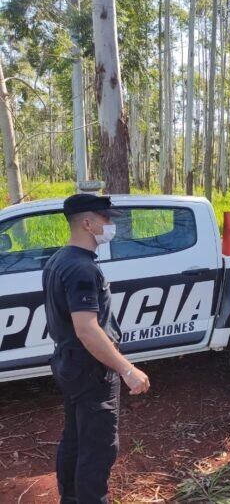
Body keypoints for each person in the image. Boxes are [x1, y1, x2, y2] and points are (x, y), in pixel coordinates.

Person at [44, 194, 150, 504]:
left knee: (75, 439)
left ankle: (71, 498)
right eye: (106, 219)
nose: (110, 225)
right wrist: (127, 370)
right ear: (87, 223)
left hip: (69, 363)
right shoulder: (81, 269)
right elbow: (88, 329)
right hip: (90, 369)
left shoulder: (59, 260)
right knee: (99, 448)